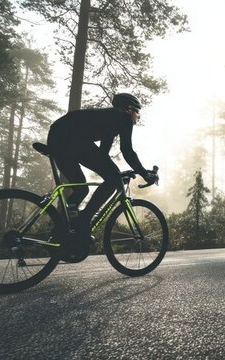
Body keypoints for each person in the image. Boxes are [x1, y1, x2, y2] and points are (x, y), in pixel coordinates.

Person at [47, 92, 157, 260]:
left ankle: (62, 232)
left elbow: (102, 157)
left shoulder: (110, 121)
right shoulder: (123, 117)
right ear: (129, 108)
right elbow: (127, 151)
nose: (137, 117)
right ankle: (83, 221)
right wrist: (144, 174)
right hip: (71, 138)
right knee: (113, 179)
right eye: (137, 112)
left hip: (57, 136)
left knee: (81, 189)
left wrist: (121, 173)